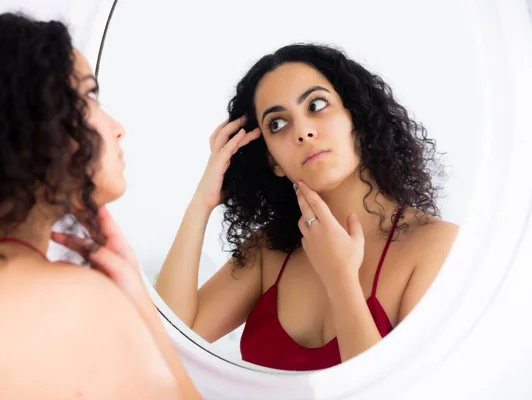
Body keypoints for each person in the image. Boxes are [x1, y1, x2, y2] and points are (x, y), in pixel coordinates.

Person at [0, 12, 200, 399]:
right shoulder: (69, 304)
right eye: (90, 95)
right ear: (27, 119)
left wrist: (138, 299)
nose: (118, 126)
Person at [155, 43, 459, 371]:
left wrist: (341, 279)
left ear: (355, 117)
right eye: (277, 123)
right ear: (274, 161)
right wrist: (202, 202)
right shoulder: (268, 252)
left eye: (316, 105)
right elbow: (166, 343)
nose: (303, 131)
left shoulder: (436, 246)